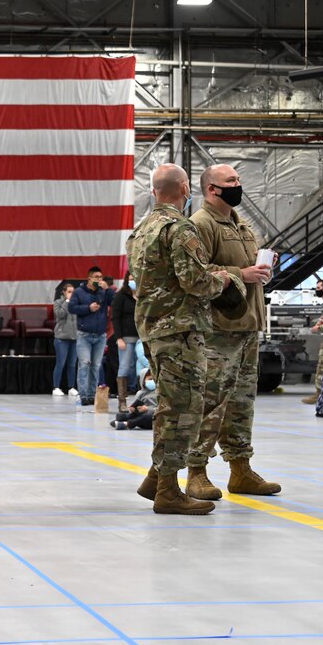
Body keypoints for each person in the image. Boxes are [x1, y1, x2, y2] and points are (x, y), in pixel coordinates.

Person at [125, 163, 234, 515]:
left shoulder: (140, 231)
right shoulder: (179, 228)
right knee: (182, 410)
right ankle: (169, 491)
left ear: (154, 191)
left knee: (171, 405)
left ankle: (157, 478)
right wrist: (226, 279)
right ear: (185, 189)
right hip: (180, 332)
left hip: (154, 330)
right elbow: (195, 282)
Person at [187, 164, 281, 500]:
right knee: (211, 401)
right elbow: (196, 275)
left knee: (242, 402)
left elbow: (248, 271)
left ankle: (240, 469)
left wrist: (263, 268)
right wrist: (242, 271)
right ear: (212, 189)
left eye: (238, 180)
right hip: (218, 330)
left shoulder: (242, 226)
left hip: (247, 325)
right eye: (231, 181)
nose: (237, 185)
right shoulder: (201, 224)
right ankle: (196, 470)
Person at [70, 266, 115, 406]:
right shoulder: (79, 292)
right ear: (89, 278)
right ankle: (83, 395)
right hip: (84, 334)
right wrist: (88, 308)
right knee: (84, 364)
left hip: (100, 335)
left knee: (96, 365)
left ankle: (91, 394)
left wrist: (108, 289)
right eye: (96, 277)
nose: (99, 280)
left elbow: (113, 302)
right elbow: (72, 308)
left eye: (101, 277)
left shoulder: (103, 292)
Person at [111, 271, 139, 408]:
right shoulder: (121, 296)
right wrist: (119, 338)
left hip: (141, 337)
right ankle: (122, 400)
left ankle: (139, 396)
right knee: (125, 366)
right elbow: (115, 318)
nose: (133, 281)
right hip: (126, 337)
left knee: (139, 367)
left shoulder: (142, 295)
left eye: (135, 279)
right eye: (131, 279)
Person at [52, 282, 79, 397]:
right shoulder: (58, 303)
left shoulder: (76, 303)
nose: (71, 294)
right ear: (63, 292)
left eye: (73, 292)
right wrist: (67, 302)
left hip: (74, 337)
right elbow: (60, 314)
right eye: (69, 292)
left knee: (72, 364)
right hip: (61, 338)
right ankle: (56, 387)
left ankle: (71, 387)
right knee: (60, 363)